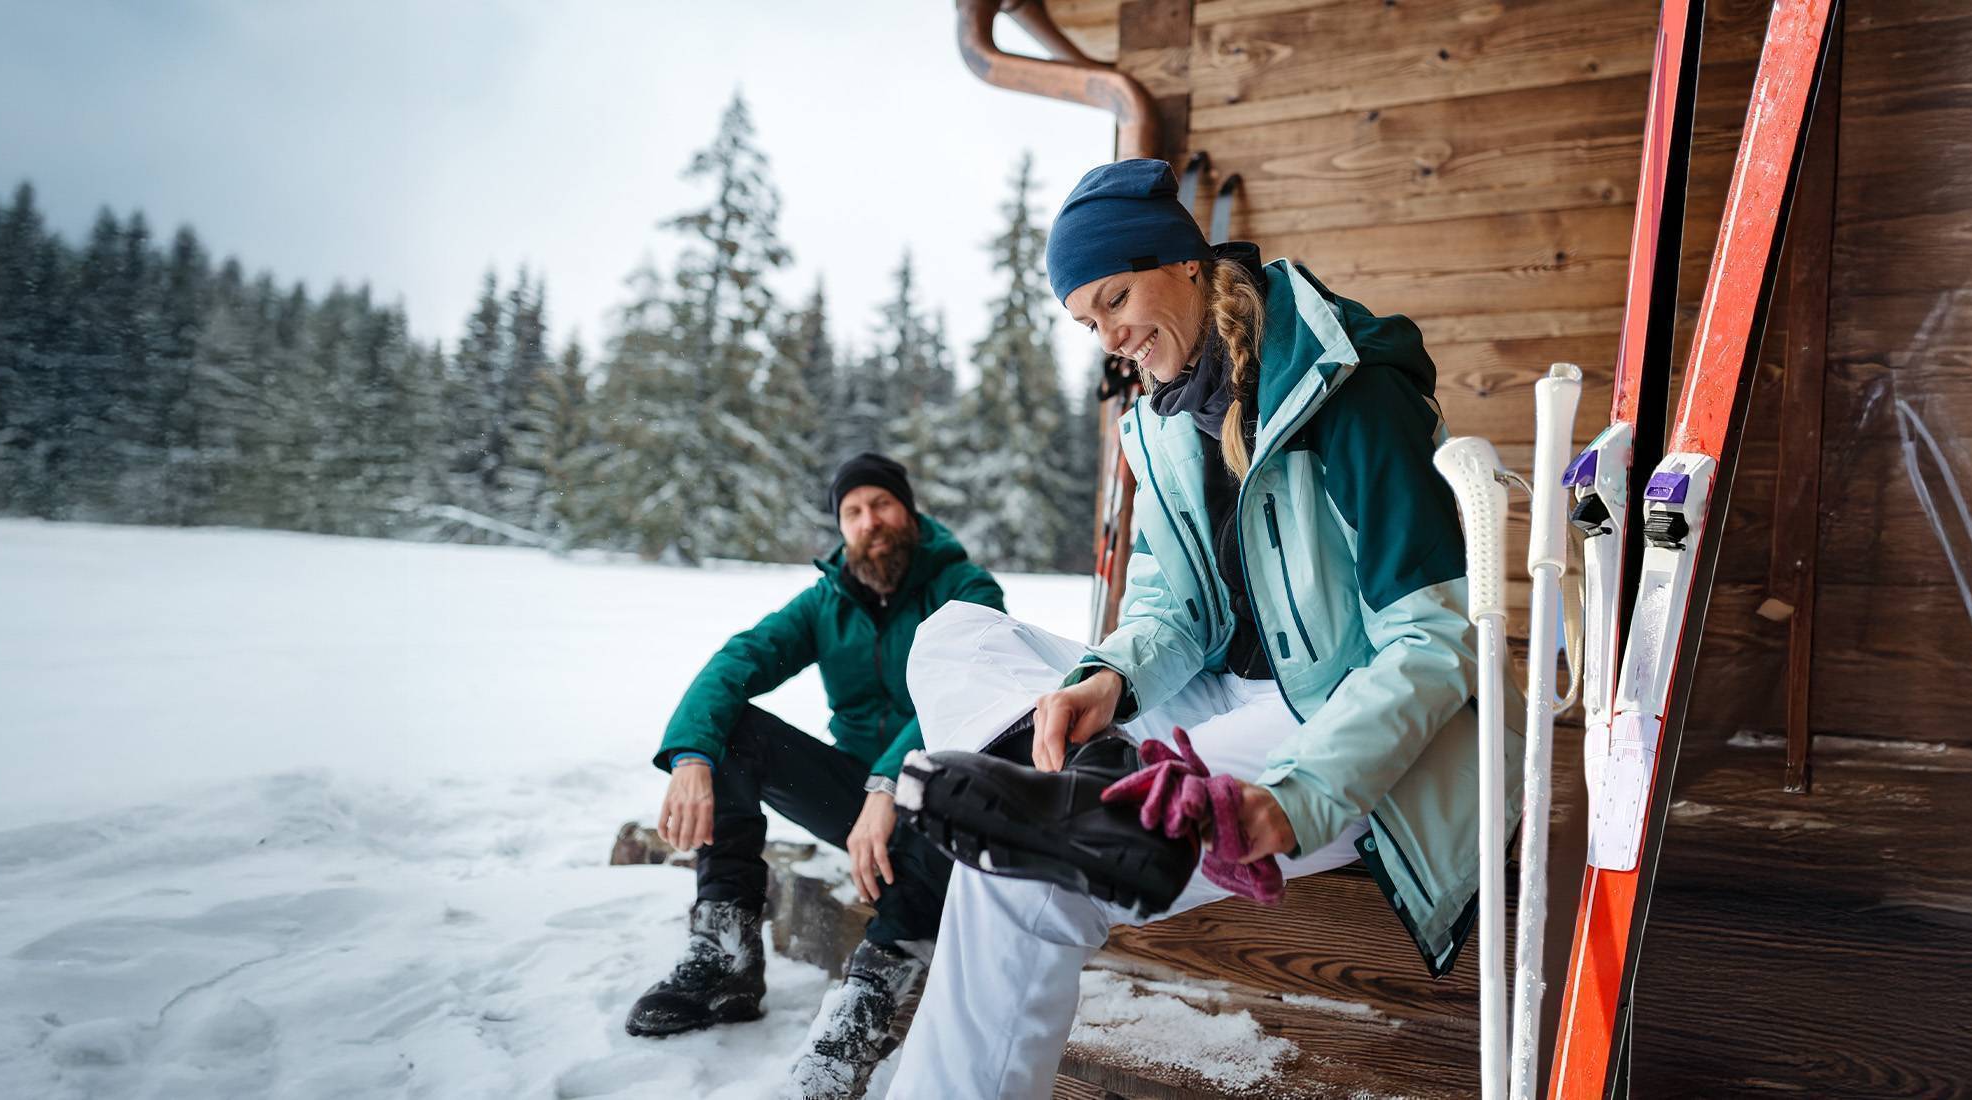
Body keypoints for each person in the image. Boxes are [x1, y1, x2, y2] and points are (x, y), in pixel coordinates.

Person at [877, 158, 1489, 1100]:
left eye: (1116, 297)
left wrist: (1300, 795)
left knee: (1019, 879)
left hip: (1340, 719)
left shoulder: (1347, 391)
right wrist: (1106, 682)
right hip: (1223, 696)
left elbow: (1433, 643)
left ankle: (1080, 815)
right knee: (949, 632)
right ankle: (1069, 779)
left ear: (1186, 262)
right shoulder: (1164, 422)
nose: (1111, 338)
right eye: (1089, 321)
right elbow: (1176, 608)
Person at [628, 452, 1002, 1100]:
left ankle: (866, 1006)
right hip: (855, 798)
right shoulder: (825, 602)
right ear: (841, 527)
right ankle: (727, 956)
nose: (869, 521)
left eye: (882, 505)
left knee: (938, 842)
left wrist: (890, 784)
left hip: (946, 784)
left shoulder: (967, 590)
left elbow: (964, 696)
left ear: (909, 513)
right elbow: (735, 663)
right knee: (734, 734)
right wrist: (692, 757)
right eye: (853, 512)